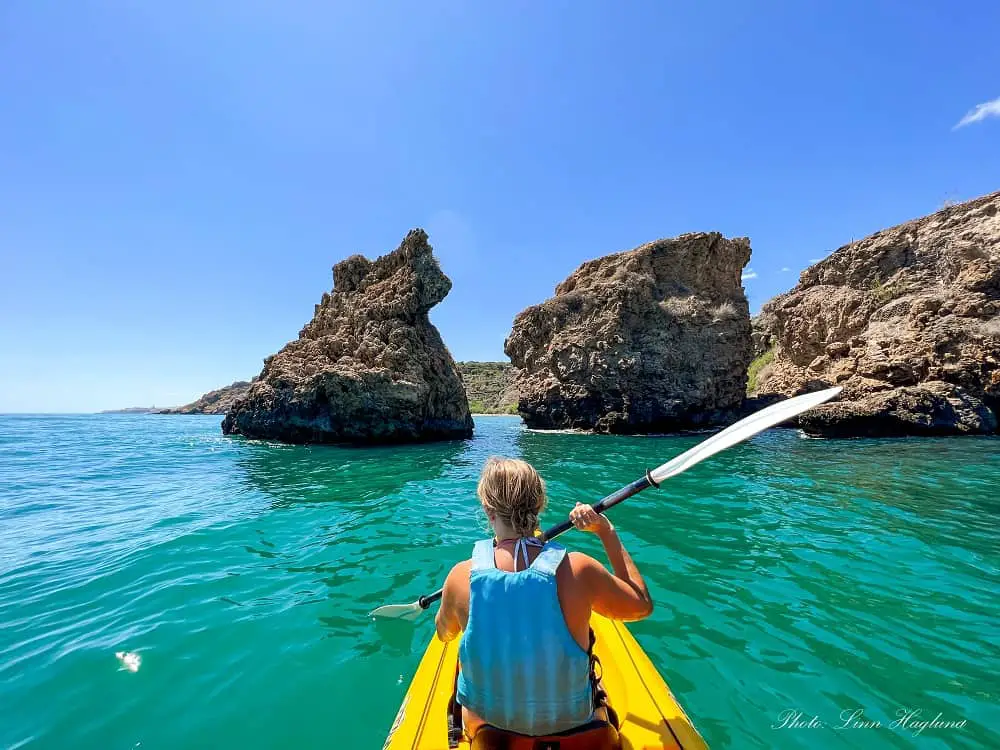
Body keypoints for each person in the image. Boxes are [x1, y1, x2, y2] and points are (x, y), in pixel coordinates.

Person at [435, 456, 654, 745]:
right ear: (539, 506)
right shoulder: (579, 569)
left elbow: (444, 633)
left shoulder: (460, 577)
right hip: (576, 730)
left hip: (494, 736)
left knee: (460, 667)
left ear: (489, 511)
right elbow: (641, 605)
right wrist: (606, 532)